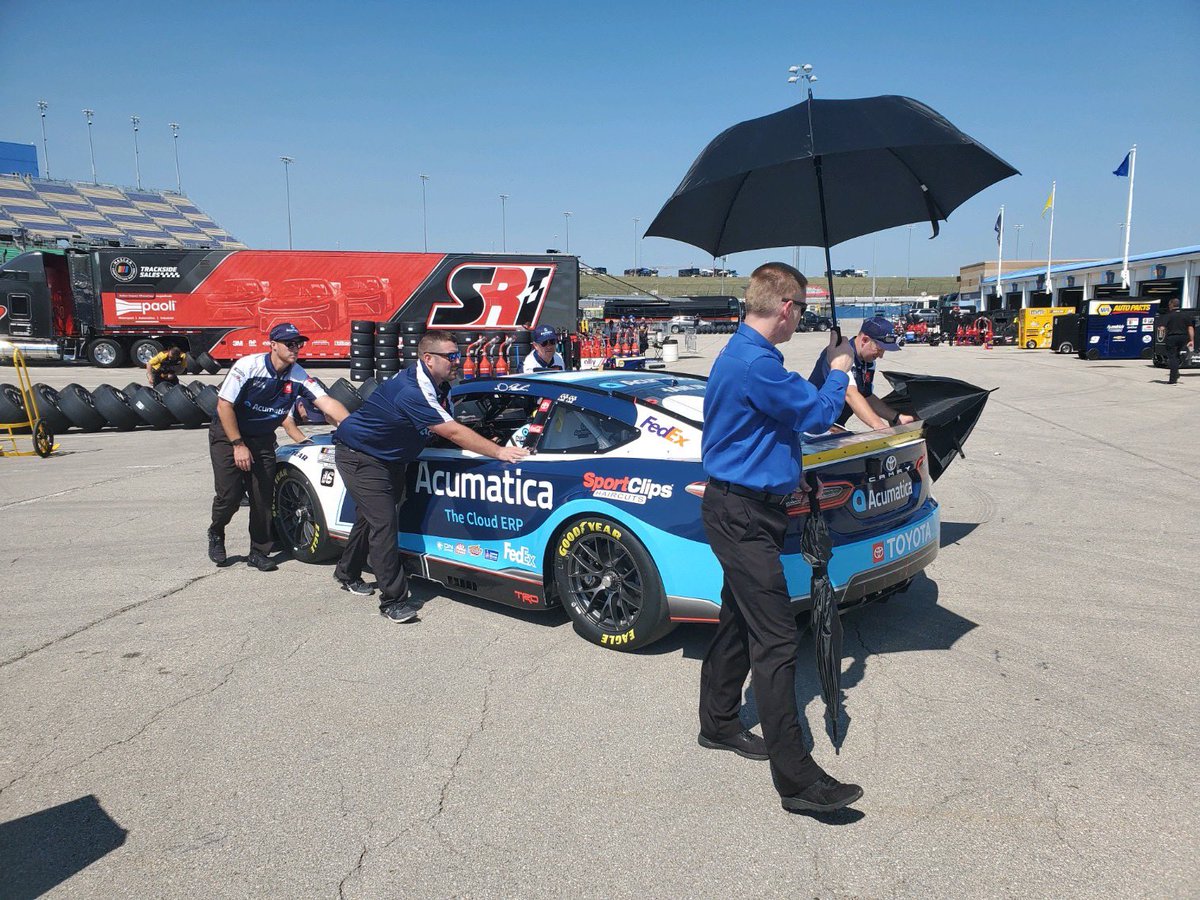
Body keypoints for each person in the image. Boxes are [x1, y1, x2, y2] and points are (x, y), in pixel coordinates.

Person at [699, 261, 864, 815]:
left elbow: (795, 410)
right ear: (787, 307)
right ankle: (797, 781)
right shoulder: (756, 365)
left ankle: (719, 722)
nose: (803, 320)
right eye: (803, 311)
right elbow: (818, 416)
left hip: (743, 511)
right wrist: (841, 369)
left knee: (738, 619)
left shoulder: (749, 357)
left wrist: (825, 366)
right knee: (775, 639)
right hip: (744, 515)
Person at [332, 332, 530, 623]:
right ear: (428, 359)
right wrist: (499, 452)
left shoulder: (439, 384)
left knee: (370, 518)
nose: (457, 360)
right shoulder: (411, 389)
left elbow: (448, 423)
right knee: (384, 523)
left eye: (457, 354)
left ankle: (346, 571)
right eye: (450, 356)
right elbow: (451, 430)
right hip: (361, 456)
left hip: (391, 457)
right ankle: (393, 601)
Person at [207, 323, 350, 571]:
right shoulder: (248, 366)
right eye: (289, 343)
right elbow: (224, 406)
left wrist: (353, 427)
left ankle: (258, 551)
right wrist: (238, 444)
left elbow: (326, 402)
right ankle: (216, 531)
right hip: (229, 434)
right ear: (273, 345)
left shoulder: (298, 374)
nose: (296, 348)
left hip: (261, 437)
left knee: (262, 496)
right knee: (229, 496)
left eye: (299, 343)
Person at [809, 316, 916, 430]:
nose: (881, 356)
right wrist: (879, 426)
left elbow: (867, 396)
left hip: (834, 426)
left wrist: (897, 418)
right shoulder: (840, 355)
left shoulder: (868, 362)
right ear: (865, 340)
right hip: (812, 424)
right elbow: (850, 394)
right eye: (879, 349)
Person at [1160, 297, 1195, 385]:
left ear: (1172, 305)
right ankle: (1177, 367)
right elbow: (1190, 328)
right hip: (1183, 338)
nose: (1168, 306)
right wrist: (1192, 340)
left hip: (1172, 337)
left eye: (1169, 305)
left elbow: (1162, 328)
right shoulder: (1185, 315)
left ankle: (1173, 379)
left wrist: (1162, 333)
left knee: (1172, 358)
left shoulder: (1168, 315)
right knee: (1176, 354)